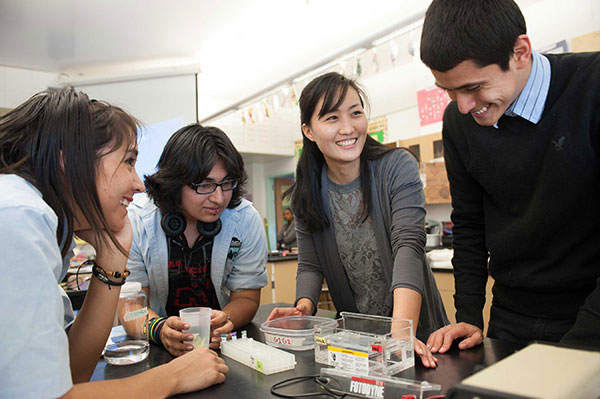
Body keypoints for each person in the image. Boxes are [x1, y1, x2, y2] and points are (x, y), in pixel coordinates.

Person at [0, 87, 228, 398]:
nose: (137, 183)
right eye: (129, 162)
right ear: (70, 162)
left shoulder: (39, 222)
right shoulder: (18, 215)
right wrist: (174, 376)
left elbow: (72, 372)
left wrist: (112, 256)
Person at [420, 0, 600, 353]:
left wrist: (581, 346)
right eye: (449, 91)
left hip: (590, 310)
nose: (463, 105)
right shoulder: (459, 123)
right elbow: (469, 224)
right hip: (511, 316)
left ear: (520, 52)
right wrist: (469, 314)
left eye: (473, 87)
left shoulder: (592, 88)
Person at [267, 72, 448, 368]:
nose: (348, 128)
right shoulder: (307, 193)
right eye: (332, 118)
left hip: (420, 338)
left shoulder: (396, 167)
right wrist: (303, 308)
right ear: (309, 131)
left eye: (355, 113)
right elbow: (311, 265)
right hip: (358, 344)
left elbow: (408, 246)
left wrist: (402, 335)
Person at [127, 123, 268, 356]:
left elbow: (247, 297)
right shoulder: (138, 220)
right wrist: (158, 329)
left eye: (226, 183)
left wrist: (226, 321)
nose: (219, 198)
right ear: (174, 182)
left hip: (221, 348)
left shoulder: (244, 219)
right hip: (157, 350)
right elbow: (131, 308)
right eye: (205, 185)